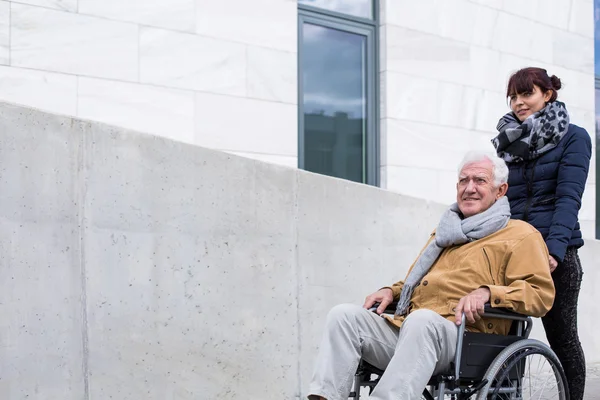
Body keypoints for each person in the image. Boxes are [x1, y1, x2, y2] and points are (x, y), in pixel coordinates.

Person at [307, 152, 555, 400]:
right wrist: (391, 292)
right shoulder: (446, 233)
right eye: (463, 181)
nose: (469, 188)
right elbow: (417, 282)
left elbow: (540, 295)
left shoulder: (521, 235)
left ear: (500, 190)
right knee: (343, 316)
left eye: (479, 181)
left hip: (467, 338)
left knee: (422, 320)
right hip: (412, 330)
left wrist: (489, 292)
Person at [491, 67, 592, 400]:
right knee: (504, 338)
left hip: (555, 254)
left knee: (562, 339)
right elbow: (501, 200)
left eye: (527, 94)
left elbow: (568, 199)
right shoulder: (508, 145)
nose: (519, 103)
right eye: (514, 97)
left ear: (547, 95)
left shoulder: (575, 137)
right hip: (512, 252)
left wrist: (553, 250)